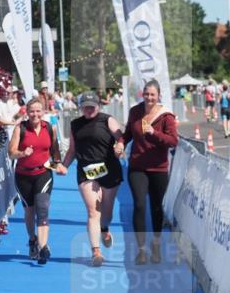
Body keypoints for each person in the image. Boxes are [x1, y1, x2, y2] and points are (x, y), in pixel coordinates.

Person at [61, 91, 125, 267]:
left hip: (109, 170)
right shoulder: (75, 124)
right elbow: (72, 150)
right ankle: (96, 251)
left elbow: (120, 137)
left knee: (107, 213)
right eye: (85, 107)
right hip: (86, 172)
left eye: (92, 107)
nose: (89, 110)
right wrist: (64, 166)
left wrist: (120, 145)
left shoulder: (107, 120)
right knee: (93, 212)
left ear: (98, 106)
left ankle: (104, 228)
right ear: (81, 108)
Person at [123, 80, 178, 264]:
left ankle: (155, 242)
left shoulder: (166, 116)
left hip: (158, 168)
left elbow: (173, 141)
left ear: (158, 95)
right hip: (137, 166)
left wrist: (154, 133)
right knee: (139, 205)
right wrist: (120, 143)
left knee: (156, 206)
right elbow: (128, 134)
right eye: (146, 94)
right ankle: (141, 250)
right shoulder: (135, 112)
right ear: (142, 94)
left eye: (152, 94)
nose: (149, 97)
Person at [9, 97, 63, 264]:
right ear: (27, 112)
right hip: (23, 176)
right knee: (30, 211)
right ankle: (32, 240)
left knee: (42, 208)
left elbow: (55, 150)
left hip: (43, 173)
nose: (35, 114)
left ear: (44, 111)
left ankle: (42, 247)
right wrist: (22, 153)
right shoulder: (20, 128)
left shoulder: (50, 128)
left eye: (38, 111)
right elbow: (11, 153)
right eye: (32, 111)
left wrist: (58, 165)